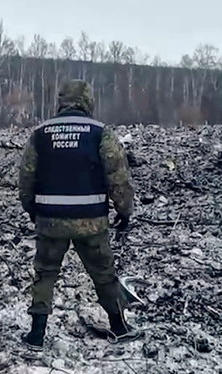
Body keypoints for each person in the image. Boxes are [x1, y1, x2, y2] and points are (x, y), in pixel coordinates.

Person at [16, 79, 137, 351]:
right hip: (91, 221)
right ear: (87, 101)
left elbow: (26, 177)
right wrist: (124, 211)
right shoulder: (100, 132)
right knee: (104, 273)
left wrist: (32, 210)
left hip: (50, 221)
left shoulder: (41, 133)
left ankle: (36, 335)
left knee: (45, 274)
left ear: (61, 101)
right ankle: (119, 326)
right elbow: (117, 176)